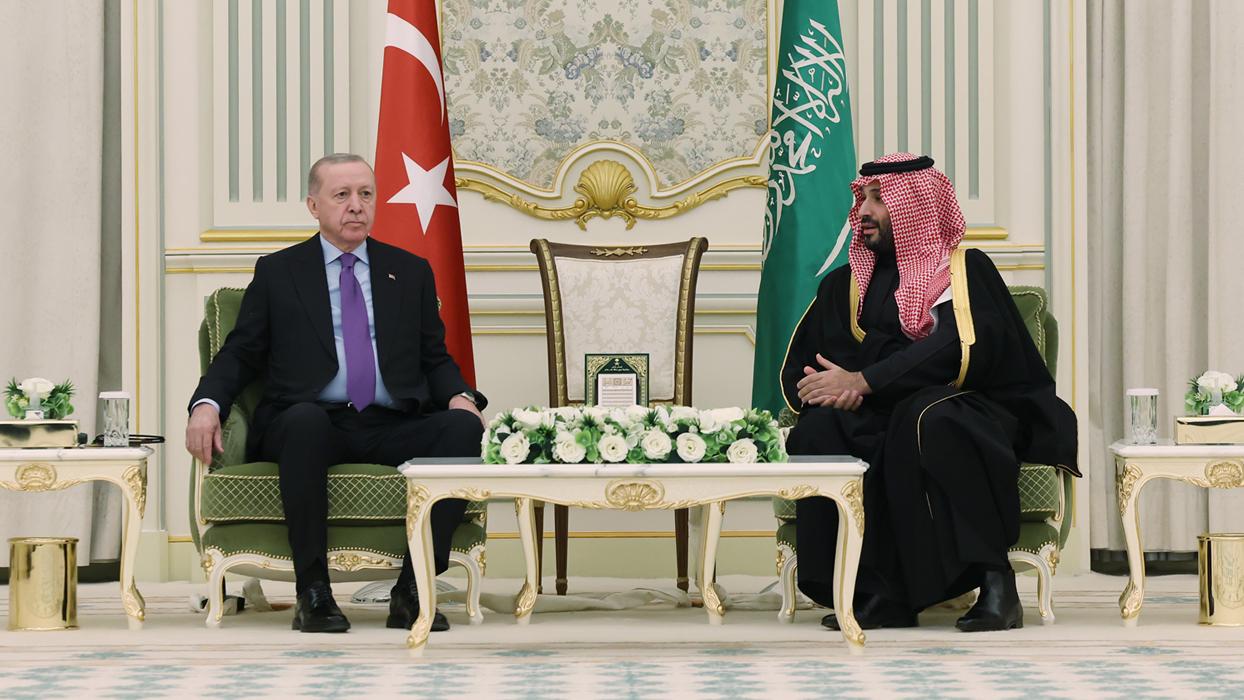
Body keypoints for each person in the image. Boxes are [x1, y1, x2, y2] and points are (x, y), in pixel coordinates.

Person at [186, 153, 487, 634]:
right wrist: (207, 405)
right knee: (305, 421)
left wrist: (460, 397)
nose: (356, 206)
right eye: (341, 195)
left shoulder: (409, 271)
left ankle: (413, 592)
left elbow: (434, 358)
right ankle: (314, 593)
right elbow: (240, 353)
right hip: (309, 421)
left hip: (390, 422)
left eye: (365, 194)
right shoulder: (280, 272)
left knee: (462, 428)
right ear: (314, 205)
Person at [781, 153, 1078, 632]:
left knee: (930, 417)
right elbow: (811, 362)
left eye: (879, 200)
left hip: (970, 406)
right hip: (880, 410)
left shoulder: (963, 272)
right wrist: (836, 389)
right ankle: (876, 593)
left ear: (914, 205)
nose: (863, 212)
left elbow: (954, 348)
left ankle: (997, 584)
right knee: (820, 429)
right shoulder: (844, 285)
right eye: (863, 199)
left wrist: (863, 380)